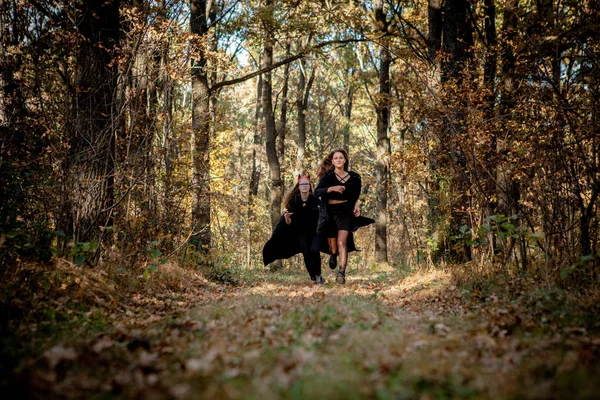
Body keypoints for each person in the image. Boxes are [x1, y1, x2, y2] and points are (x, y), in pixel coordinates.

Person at [314, 147, 373, 284]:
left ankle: (341, 273)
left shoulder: (354, 177)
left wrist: (355, 205)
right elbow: (317, 192)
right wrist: (332, 188)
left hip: (345, 211)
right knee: (334, 246)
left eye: (341, 157)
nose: (338, 160)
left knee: (342, 242)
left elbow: (355, 195)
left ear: (345, 160)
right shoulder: (328, 176)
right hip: (329, 211)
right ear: (333, 161)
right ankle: (333, 254)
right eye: (336, 158)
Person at [263, 174, 324, 284]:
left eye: (307, 184)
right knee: (306, 254)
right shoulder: (294, 202)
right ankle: (313, 277)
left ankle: (318, 275)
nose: (305, 186)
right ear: (299, 187)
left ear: (310, 186)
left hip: (315, 232)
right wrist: (287, 219)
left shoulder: (316, 200)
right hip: (301, 233)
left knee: (315, 251)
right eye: (302, 184)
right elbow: (289, 222)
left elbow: (323, 216)